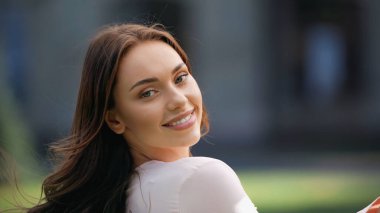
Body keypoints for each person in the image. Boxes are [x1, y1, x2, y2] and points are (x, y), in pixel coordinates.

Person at [28, 23, 258, 213]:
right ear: (114, 120)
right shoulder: (203, 178)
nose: (178, 99)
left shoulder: (119, 198)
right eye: (148, 93)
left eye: (180, 77)